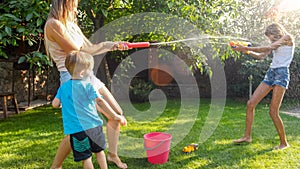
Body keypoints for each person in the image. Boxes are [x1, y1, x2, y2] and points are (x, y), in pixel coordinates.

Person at [44, 0, 129, 168]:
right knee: (77, 129)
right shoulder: (53, 25)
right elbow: (76, 52)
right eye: (74, 3)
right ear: (65, 3)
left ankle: (112, 155)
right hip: (72, 78)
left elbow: (88, 49)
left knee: (116, 113)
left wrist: (111, 45)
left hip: (87, 75)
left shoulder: (71, 25)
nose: (76, 7)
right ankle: (56, 165)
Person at [52, 51, 126, 169]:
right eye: (89, 71)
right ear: (82, 73)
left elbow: (55, 104)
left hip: (77, 130)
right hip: (94, 127)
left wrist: (62, 100)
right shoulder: (88, 86)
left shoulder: (63, 87)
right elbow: (100, 101)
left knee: (86, 158)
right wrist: (115, 116)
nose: (91, 73)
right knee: (99, 152)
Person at [232, 23, 294, 150]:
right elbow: (261, 56)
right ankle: (247, 136)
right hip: (271, 73)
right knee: (250, 104)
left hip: (281, 74)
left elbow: (269, 46)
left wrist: (249, 48)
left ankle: (284, 143)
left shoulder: (287, 37)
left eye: (270, 36)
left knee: (273, 112)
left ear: (275, 32)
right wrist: (246, 50)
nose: (269, 39)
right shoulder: (274, 43)